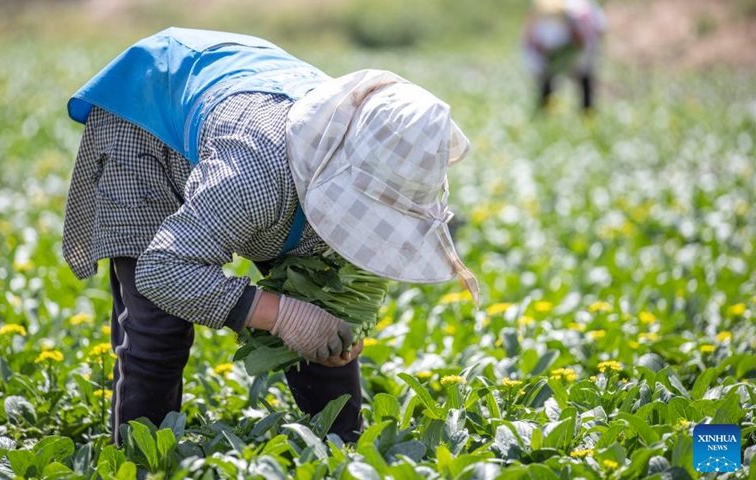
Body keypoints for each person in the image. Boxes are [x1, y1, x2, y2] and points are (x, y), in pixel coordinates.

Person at [62, 27, 479, 444]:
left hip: (251, 93)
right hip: (149, 110)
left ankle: (345, 446)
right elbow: (162, 271)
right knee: (159, 329)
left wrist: (336, 325)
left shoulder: (383, 150)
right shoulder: (253, 175)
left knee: (321, 295)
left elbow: (328, 291)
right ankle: (136, 457)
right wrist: (280, 314)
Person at [522, 0, 606, 113]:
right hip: (570, 49)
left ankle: (584, 112)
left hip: (574, 49)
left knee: (580, 79)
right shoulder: (580, 6)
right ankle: (584, 112)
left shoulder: (578, 7)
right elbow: (600, 28)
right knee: (553, 79)